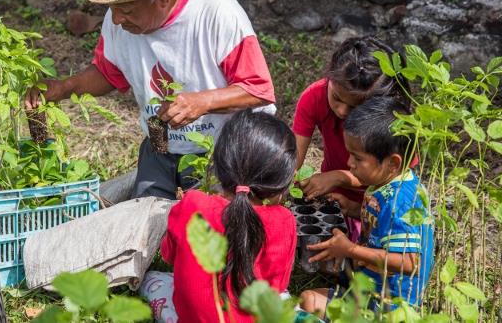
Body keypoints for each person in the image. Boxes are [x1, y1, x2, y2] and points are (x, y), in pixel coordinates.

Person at [24, 0, 275, 200]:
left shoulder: (217, 13)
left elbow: (258, 90)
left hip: (224, 148)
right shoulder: (118, 19)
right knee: (144, 215)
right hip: (161, 143)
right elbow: (109, 72)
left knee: (208, 226)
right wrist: (63, 88)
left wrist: (202, 102)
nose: (117, 19)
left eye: (127, 10)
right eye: (112, 9)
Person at [140, 109, 297, 323]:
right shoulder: (284, 221)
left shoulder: (192, 205)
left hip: (191, 319)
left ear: (219, 165)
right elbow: (278, 286)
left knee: (151, 279)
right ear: (282, 181)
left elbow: (168, 257)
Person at [299, 97, 434, 320]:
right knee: (317, 290)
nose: (349, 163)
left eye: (358, 158)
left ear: (392, 163)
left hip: (390, 306)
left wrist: (350, 250)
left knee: (308, 300)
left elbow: (411, 263)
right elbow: (380, 225)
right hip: (369, 285)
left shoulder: (399, 202)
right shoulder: (386, 182)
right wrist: (351, 207)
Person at [292, 36, 411, 241]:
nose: (341, 111)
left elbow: (398, 180)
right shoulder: (315, 97)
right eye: (336, 98)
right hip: (333, 199)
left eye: (355, 107)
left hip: (379, 203)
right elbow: (293, 159)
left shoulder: (393, 120)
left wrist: (339, 177)